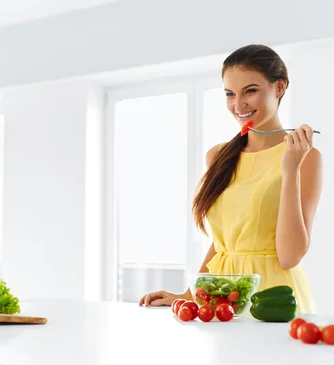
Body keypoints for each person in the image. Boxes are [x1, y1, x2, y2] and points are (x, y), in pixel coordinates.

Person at [138, 44, 322, 314]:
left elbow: (289, 256)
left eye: (250, 91)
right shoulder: (218, 155)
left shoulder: (306, 157)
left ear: (280, 87)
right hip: (219, 298)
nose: (238, 105)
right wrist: (189, 295)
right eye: (230, 94)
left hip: (274, 299)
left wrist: (290, 169)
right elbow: (223, 243)